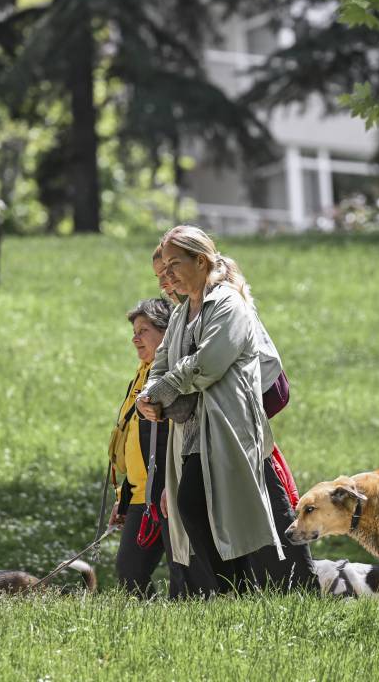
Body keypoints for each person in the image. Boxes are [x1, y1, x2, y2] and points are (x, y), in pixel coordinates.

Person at [137, 226, 316, 596]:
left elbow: (209, 363)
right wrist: (149, 396)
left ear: (200, 261)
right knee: (194, 509)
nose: (166, 276)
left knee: (223, 512)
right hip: (193, 432)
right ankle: (229, 593)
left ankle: (241, 592)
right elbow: (162, 363)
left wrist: (163, 390)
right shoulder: (180, 313)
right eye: (162, 269)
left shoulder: (229, 304)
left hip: (230, 429)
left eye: (174, 265)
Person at [108, 297, 182, 597]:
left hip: (169, 493)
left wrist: (173, 486)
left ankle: (187, 629)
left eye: (144, 330)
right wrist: (123, 496)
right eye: (134, 331)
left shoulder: (168, 376)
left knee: (184, 574)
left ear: (165, 333)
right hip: (141, 495)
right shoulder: (141, 374)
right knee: (130, 572)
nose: (135, 338)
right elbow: (134, 444)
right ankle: (147, 626)